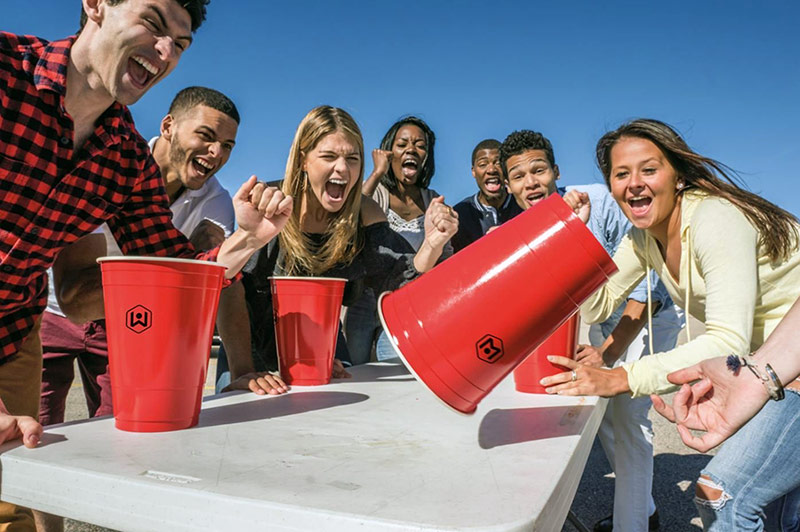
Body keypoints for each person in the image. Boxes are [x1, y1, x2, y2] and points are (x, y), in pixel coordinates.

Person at [0, 2, 291, 529]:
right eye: (154, 24)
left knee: (15, 493)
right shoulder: (6, 73)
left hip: (13, 336)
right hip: (44, 320)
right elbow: (75, 294)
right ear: (95, 4)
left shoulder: (126, 160)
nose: (163, 53)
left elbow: (170, 272)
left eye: (179, 44)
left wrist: (245, 240)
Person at [541, 119, 800, 530]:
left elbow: (726, 340)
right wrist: (575, 238)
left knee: (723, 495)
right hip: (772, 367)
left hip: (787, 364)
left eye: (649, 169)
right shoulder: (644, 239)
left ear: (677, 177)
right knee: (776, 513)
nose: (634, 184)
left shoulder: (715, 217)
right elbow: (597, 305)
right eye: (621, 174)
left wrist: (621, 377)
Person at [499, 129, 681, 532]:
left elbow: (647, 290)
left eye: (539, 170)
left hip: (650, 314)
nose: (531, 182)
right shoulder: (522, 226)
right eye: (519, 176)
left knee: (631, 417)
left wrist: (610, 356)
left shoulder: (598, 202)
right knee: (606, 418)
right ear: (508, 185)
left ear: (555, 171)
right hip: (604, 318)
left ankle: (632, 526)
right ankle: (643, 509)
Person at [39, 86, 253, 426]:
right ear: (168, 126)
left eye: (227, 145)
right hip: (52, 310)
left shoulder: (215, 201)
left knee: (124, 423)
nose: (216, 152)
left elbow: (224, 281)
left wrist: (243, 371)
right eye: (206, 135)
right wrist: (188, 265)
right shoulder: (113, 168)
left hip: (129, 321)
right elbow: (76, 300)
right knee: (37, 426)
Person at [220, 106, 458, 394]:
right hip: (247, 346)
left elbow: (399, 280)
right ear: (303, 160)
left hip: (321, 344)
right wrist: (244, 371)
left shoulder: (364, 214)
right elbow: (228, 285)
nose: (343, 169)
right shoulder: (270, 206)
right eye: (329, 156)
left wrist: (432, 244)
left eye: (353, 159)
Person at [358, 116, 454, 362]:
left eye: (420, 145)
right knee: (357, 372)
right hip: (365, 302)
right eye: (403, 144)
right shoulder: (375, 192)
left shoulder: (432, 199)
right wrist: (377, 172)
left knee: (397, 372)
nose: (412, 149)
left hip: (410, 307)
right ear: (389, 152)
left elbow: (446, 259)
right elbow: (350, 216)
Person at [451, 139, 522, 252]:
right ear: (473, 172)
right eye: (483, 164)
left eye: (498, 163)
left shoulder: (523, 204)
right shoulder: (459, 215)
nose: (491, 169)